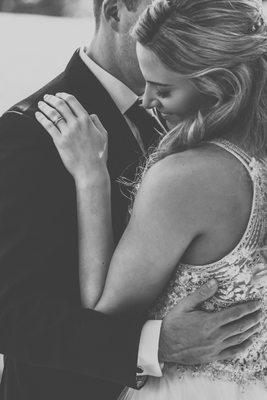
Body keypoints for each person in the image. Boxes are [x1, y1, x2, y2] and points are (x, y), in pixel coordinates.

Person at [0, 0, 262, 399]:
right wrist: (154, 344)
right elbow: (10, 313)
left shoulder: (200, 122)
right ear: (116, 10)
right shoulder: (31, 133)